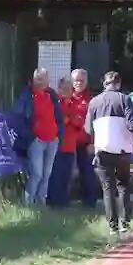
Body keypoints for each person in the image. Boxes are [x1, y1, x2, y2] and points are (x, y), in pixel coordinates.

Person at [87, 71, 133, 238]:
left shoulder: (94, 102)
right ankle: (125, 223)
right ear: (118, 84)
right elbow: (132, 124)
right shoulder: (124, 99)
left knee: (107, 188)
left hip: (102, 149)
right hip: (122, 149)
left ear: (104, 84)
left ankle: (113, 227)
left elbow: (88, 129)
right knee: (123, 185)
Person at [12, 68, 64, 205]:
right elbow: (18, 118)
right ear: (33, 79)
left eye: (43, 79)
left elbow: (58, 116)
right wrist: (31, 137)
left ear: (48, 80)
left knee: (46, 174)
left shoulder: (51, 94)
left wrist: (59, 134)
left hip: (52, 140)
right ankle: (28, 203)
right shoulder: (27, 95)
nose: (41, 82)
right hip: (37, 141)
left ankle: (41, 203)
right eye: (38, 79)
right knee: (36, 174)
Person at [67, 69, 100, 207]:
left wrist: (93, 142)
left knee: (87, 173)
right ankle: (63, 202)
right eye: (76, 80)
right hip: (68, 143)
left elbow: (96, 123)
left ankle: (89, 203)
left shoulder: (92, 100)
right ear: (72, 81)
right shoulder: (67, 98)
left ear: (86, 82)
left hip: (85, 143)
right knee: (65, 172)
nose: (79, 83)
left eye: (82, 80)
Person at [46, 78, 79, 207]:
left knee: (66, 176)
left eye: (69, 89)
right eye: (64, 88)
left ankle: (64, 203)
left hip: (70, 147)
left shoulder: (74, 103)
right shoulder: (55, 103)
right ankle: (53, 203)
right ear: (59, 89)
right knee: (55, 176)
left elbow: (79, 121)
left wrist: (69, 120)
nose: (67, 91)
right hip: (57, 146)